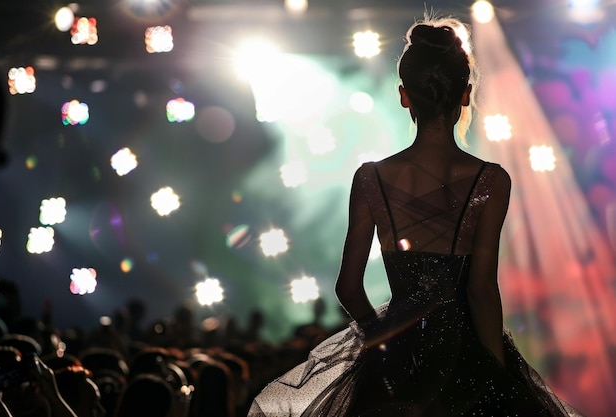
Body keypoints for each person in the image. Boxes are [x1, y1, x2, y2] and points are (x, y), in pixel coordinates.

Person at [247, 16, 587, 417]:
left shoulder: (371, 178)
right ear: (466, 94)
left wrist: (384, 344)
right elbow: (480, 290)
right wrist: (496, 369)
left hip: (395, 364)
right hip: (466, 357)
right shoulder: (490, 180)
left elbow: (348, 287)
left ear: (404, 96)